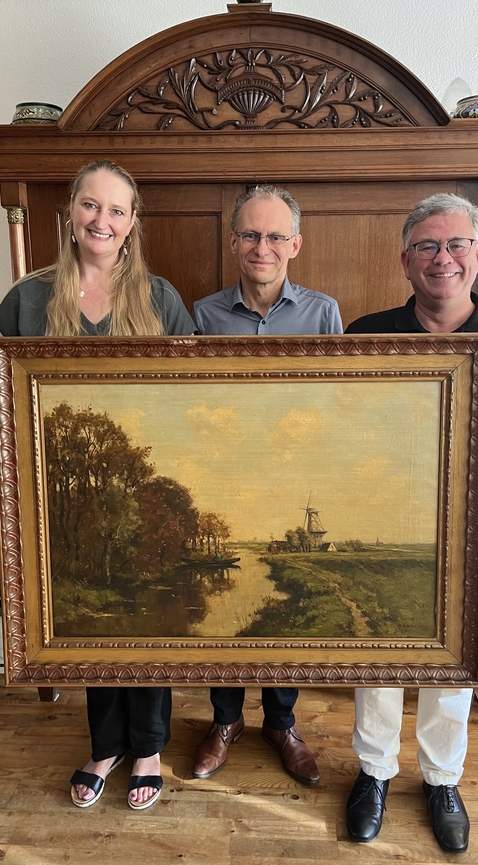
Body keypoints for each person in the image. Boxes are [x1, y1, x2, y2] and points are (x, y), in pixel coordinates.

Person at [344, 193, 478, 853]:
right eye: (428, 246)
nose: (444, 258)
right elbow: (344, 433)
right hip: (387, 530)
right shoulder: (366, 335)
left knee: (454, 667)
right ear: (406, 260)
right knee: (379, 651)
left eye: (457, 244)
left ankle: (441, 779)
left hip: (473, 536)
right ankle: (374, 771)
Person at [0, 159, 195, 810]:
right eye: (90, 205)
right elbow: (12, 395)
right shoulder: (27, 299)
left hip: (140, 487)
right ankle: (105, 744)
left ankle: (149, 748)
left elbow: (186, 396)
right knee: (89, 620)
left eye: (115, 210)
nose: (101, 220)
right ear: (71, 212)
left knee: (147, 619)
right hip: (64, 487)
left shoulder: (162, 300)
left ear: (132, 222)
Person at [190, 184, 342, 785]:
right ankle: (225, 721)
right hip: (228, 472)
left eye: (277, 236)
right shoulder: (202, 315)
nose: (263, 247)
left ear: (295, 245)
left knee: (285, 612)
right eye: (252, 234)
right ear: (233, 242)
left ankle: (282, 724)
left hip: (295, 467)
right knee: (232, 612)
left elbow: (336, 398)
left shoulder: (324, 314)